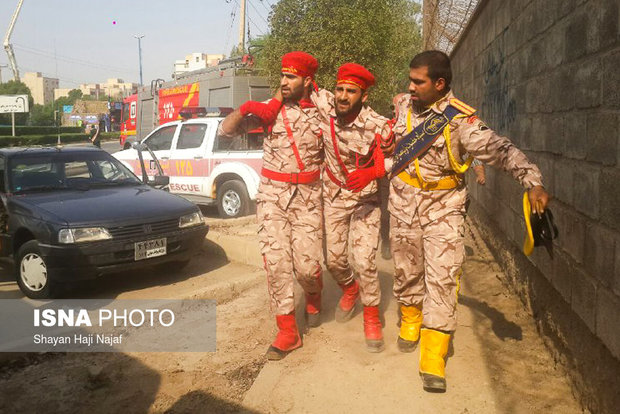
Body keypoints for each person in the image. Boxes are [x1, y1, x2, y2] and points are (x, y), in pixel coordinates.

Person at [387, 50, 550, 392]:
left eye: (418, 81)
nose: (410, 86)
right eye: (410, 80)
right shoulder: (403, 104)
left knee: (443, 275)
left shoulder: (460, 121)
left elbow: (499, 149)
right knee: (406, 267)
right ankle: (411, 319)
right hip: (402, 202)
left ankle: (433, 355)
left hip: (442, 205)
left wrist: (531, 180)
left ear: (440, 83)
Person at [219, 52, 324, 361]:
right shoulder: (269, 111)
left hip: (308, 196)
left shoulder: (322, 109)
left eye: (290, 77)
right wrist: (245, 108)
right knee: (276, 262)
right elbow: (226, 131)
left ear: (306, 80)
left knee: (306, 266)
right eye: (282, 75)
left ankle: (314, 291)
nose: (283, 81)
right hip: (272, 196)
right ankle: (288, 330)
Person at [311, 63, 393, 352]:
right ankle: (350, 288)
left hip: (365, 202)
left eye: (351, 91)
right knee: (333, 260)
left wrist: (373, 172)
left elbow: (400, 158)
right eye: (340, 89)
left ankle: (372, 318)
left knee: (365, 262)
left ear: (364, 96)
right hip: (333, 196)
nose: (343, 96)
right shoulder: (325, 107)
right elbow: (303, 81)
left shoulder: (378, 125)